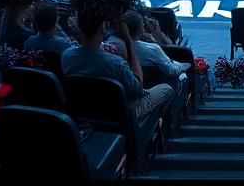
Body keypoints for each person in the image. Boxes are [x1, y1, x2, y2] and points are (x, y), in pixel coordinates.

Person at [61, 10, 174, 142]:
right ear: (102, 28)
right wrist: (128, 41)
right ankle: (155, 135)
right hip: (125, 112)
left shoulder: (66, 56)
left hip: (87, 114)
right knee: (167, 88)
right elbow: (138, 89)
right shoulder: (114, 62)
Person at [123, 11, 190, 89]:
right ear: (141, 28)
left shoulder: (115, 45)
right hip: (156, 86)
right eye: (143, 23)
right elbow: (171, 70)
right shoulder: (153, 48)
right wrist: (185, 66)